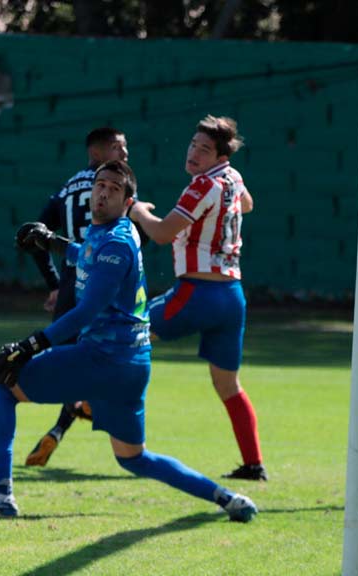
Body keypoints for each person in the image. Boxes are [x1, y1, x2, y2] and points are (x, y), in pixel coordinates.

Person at [0, 160, 257, 522]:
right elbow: (88, 258)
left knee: (0, 388)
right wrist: (54, 243)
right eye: (100, 185)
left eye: (114, 189)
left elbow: (86, 312)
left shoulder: (116, 242)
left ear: (128, 201)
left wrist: (30, 345)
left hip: (102, 359)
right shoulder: (111, 233)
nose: (103, 192)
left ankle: (0, 496)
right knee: (133, 457)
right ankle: (226, 497)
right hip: (130, 365)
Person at [128, 115, 267, 481]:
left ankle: (95, 407)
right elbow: (247, 204)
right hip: (231, 298)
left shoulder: (200, 187)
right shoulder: (232, 178)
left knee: (126, 330)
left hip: (196, 294)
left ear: (220, 155)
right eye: (193, 145)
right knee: (227, 385)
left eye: (204, 149)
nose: (194, 152)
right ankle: (253, 464)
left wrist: (137, 210)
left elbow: (159, 234)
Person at [19, 127, 129, 467]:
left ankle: (61, 424)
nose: (125, 156)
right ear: (99, 153)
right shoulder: (120, 190)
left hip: (71, 279)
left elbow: (34, 235)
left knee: (70, 359)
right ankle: (112, 432)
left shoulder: (65, 189)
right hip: (106, 275)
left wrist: (54, 282)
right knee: (108, 357)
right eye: (119, 148)